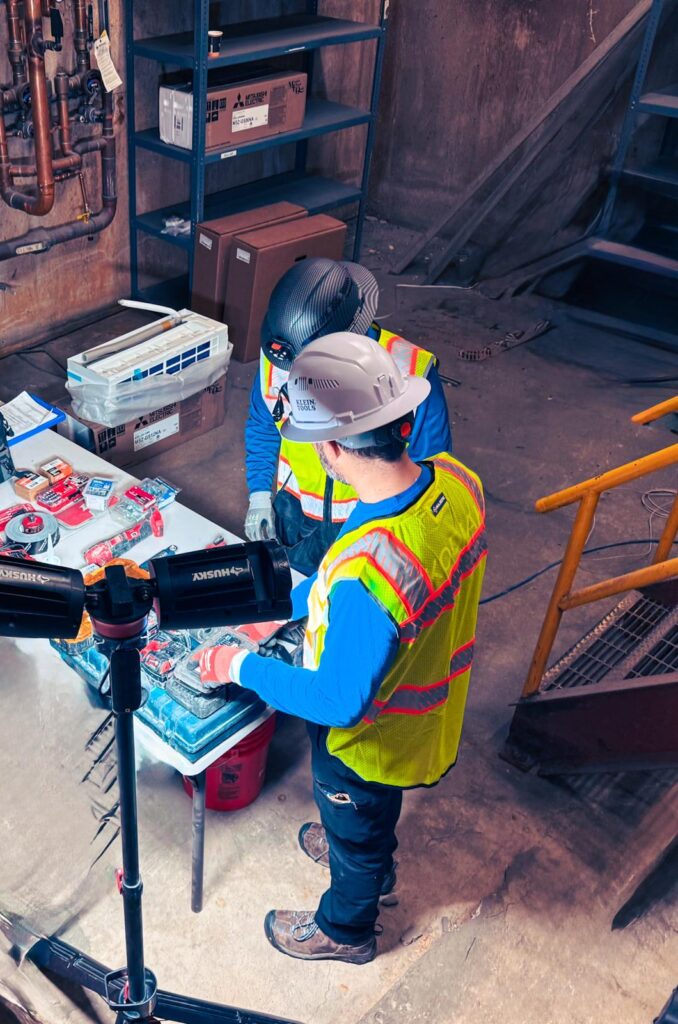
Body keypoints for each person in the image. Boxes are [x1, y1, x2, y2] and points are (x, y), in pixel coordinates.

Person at [198, 333, 487, 965]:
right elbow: (350, 564)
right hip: (426, 711)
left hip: (369, 740)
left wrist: (237, 665)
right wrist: (281, 612)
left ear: (329, 449)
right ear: (401, 421)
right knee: (369, 815)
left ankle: (346, 929)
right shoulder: (459, 485)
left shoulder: (368, 576)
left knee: (354, 820)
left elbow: (336, 700)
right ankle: (368, 859)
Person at [244, 258, 453, 575]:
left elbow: (432, 462)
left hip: (372, 517)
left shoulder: (411, 370)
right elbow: (263, 425)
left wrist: (405, 535)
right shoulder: (278, 357)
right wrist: (260, 493)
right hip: (296, 513)